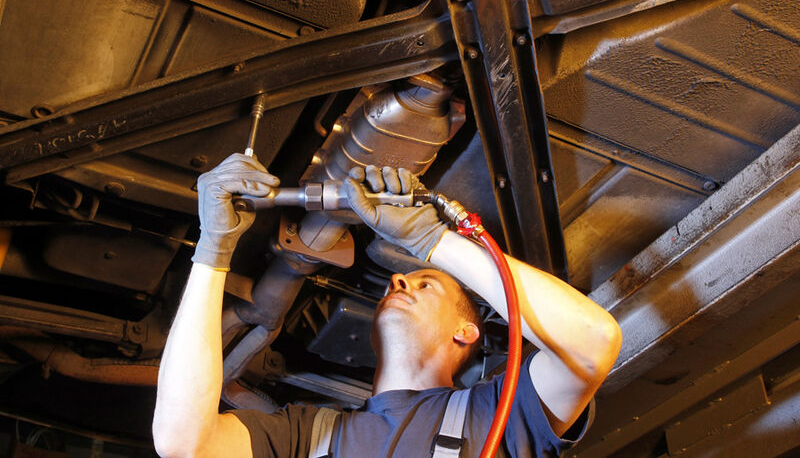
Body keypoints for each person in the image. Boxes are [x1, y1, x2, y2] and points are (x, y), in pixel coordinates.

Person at [152, 154, 622, 458]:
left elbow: (593, 341)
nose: (399, 277)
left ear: (467, 331)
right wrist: (212, 250)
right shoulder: (306, 434)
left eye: (426, 282)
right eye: (405, 275)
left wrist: (432, 240)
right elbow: (182, 443)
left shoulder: (498, 413)